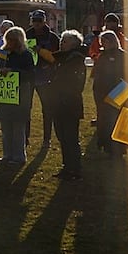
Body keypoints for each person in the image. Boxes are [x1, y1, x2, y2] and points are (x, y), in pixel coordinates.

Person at [48, 29, 88, 181]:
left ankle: (75, 168)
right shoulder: (62, 58)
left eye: (65, 41)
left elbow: (75, 84)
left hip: (69, 104)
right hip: (59, 103)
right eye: (62, 40)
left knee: (70, 137)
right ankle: (67, 166)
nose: (61, 43)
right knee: (62, 136)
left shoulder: (76, 60)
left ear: (74, 44)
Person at [0, 26, 35, 166]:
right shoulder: (3, 53)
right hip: (5, 95)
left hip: (20, 94)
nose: (10, 42)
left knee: (18, 127)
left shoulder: (26, 54)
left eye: (13, 40)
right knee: (6, 127)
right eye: (8, 39)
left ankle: (18, 157)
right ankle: (7, 155)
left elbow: (30, 74)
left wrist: (12, 71)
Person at [89, 30, 128, 156]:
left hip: (119, 92)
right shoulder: (103, 56)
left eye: (106, 41)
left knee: (116, 119)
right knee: (104, 120)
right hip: (101, 93)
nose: (104, 44)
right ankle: (105, 145)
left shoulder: (122, 55)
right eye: (102, 41)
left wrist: (120, 92)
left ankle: (118, 148)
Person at [26, 10, 61, 149]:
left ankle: (47, 139)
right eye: (34, 21)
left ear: (44, 21)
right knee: (26, 108)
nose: (36, 24)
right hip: (29, 75)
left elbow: (56, 57)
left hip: (46, 76)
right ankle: (25, 137)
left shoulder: (52, 37)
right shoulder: (27, 34)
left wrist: (41, 52)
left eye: (39, 21)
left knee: (47, 109)